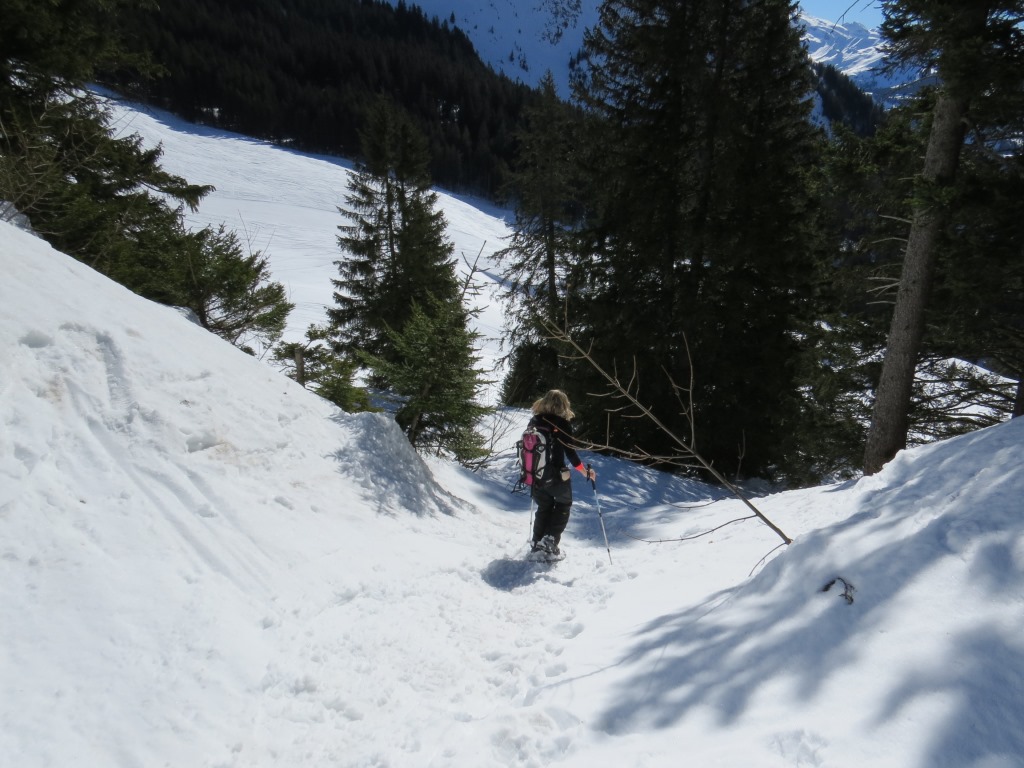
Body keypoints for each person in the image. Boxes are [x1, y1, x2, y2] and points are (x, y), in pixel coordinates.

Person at [527, 389, 596, 556]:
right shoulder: (562, 424)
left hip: (535, 475)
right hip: (555, 475)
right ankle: (550, 540)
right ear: (564, 404)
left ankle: (537, 542)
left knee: (544, 507)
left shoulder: (534, 421)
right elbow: (570, 453)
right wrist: (585, 472)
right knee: (563, 504)